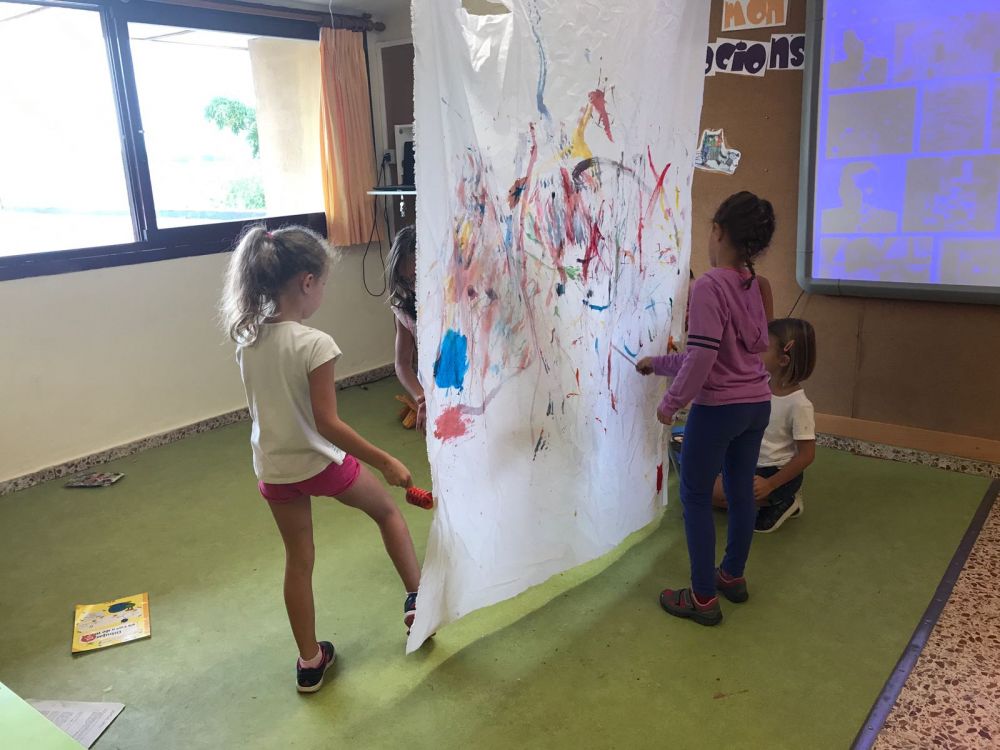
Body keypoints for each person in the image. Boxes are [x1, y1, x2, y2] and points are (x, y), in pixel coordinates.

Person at [221, 225, 421, 693]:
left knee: (298, 559)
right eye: (324, 283)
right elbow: (327, 423)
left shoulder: (247, 338)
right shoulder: (315, 344)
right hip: (319, 462)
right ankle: (418, 599)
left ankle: (310, 662)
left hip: (274, 468)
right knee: (387, 512)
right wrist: (385, 461)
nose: (323, 292)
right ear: (307, 282)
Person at [637, 191, 775, 627]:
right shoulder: (752, 283)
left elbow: (702, 358)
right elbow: (721, 353)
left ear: (717, 231)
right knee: (739, 491)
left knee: (695, 496)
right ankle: (731, 576)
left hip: (719, 410)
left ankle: (701, 598)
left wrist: (671, 402)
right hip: (756, 404)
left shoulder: (709, 285)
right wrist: (658, 363)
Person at [712, 318, 817, 533]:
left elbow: (807, 455)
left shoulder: (799, 405)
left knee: (713, 492)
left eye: (763, 347)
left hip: (772, 473)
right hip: (746, 460)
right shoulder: (759, 382)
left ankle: (784, 500)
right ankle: (746, 499)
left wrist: (771, 484)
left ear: (783, 360)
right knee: (697, 482)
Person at [386, 225, 425, 431]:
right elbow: (402, 364)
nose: (413, 287)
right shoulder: (404, 311)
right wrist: (421, 397)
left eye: (417, 277)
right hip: (433, 392)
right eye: (406, 280)